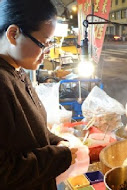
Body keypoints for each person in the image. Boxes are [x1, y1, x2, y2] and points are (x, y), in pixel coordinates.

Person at [0, 0, 77, 189]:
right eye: (42, 43)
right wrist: (61, 156)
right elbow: (4, 172)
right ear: (13, 34)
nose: (46, 53)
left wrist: (57, 141)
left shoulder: (18, 71)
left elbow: (31, 134)